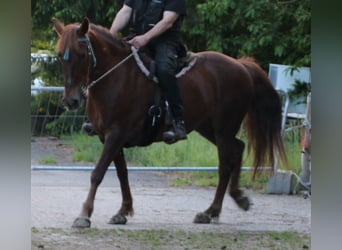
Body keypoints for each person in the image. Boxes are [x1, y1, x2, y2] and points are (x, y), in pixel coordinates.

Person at [83, 0, 187, 143]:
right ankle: (98, 118)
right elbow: (125, 11)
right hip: (136, 38)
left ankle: (177, 120)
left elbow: (168, 21)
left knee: (164, 70)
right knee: (109, 63)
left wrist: (145, 38)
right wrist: (110, 36)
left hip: (165, 42)